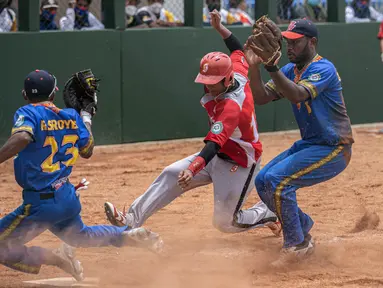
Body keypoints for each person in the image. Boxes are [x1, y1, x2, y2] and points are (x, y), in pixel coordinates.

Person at [104, 10, 281, 237]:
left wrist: (192, 168)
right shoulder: (236, 70)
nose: (208, 86)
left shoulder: (232, 107)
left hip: (240, 162)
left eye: (213, 82)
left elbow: (213, 144)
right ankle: (130, 220)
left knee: (226, 223)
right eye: (205, 80)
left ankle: (267, 213)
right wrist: (220, 28)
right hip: (218, 155)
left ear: (226, 80)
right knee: (170, 174)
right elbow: (237, 49)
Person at [0, 69, 163, 281]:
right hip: (66, 197)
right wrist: (86, 116)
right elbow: (87, 150)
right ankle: (126, 235)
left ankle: (56, 258)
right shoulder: (71, 116)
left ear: (24, 94)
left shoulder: (28, 112)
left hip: (41, 204)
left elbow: (22, 136)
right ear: (53, 94)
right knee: (80, 236)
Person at [244, 18, 354, 266]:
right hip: (311, 144)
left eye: (296, 42)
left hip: (334, 148)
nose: (289, 47)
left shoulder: (322, 68)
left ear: (312, 42)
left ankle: (296, 245)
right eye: (288, 42)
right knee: (262, 181)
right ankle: (302, 230)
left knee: (277, 181)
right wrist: (255, 67)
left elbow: (297, 94)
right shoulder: (289, 70)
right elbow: (261, 97)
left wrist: (272, 67)